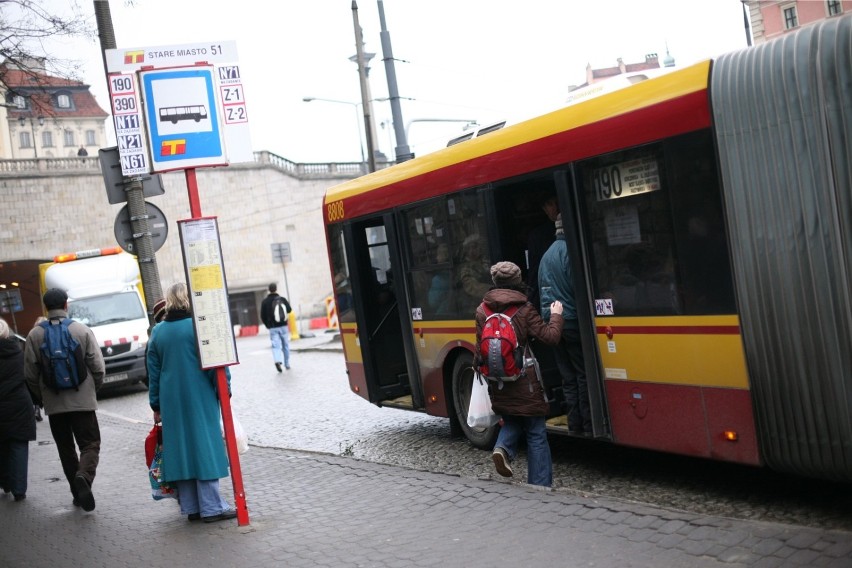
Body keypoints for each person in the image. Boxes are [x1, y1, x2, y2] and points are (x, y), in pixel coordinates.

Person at [146, 282, 236, 523]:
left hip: (170, 400)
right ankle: (212, 507)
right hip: (200, 395)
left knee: (181, 450)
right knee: (204, 445)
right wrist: (224, 391)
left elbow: (153, 374)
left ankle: (191, 507)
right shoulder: (199, 328)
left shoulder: (158, 333)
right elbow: (216, 365)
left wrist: (156, 405)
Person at [476, 261, 564, 487]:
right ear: (518, 282)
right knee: (535, 430)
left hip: (499, 381)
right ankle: (540, 484)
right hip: (525, 381)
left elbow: (479, 351)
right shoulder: (524, 309)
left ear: (494, 283)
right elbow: (551, 337)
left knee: (513, 417)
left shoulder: (481, 310)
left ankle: (502, 448)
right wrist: (556, 315)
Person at [23, 288, 105, 512]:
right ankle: (84, 477)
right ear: (66, 305)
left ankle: (77, 494)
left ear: (45, 308)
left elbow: (30, 374)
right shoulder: (81, 330)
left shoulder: (34, 335)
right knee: (90, 444)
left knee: (66, 449)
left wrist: (43, 397)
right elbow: (98, 367)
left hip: (54, 404)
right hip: (83, 400)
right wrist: (91, 390)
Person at [539, 214, 591, 435]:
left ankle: (574, 423)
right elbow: (577, 287)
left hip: (553, 323)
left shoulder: (546, 255)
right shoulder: (571, 252)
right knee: (583, 374)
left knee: (568, 377)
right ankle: (588, 423)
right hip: (572, 321)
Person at [0, 317, 37, 502]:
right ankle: (19, 489)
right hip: (19, 405)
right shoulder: (17, 352)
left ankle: (5, 482)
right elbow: (30, 376)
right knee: (19, 445)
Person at [526, 194, 560, 309]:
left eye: (554, 203)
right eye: (548, 205)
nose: (554, 208)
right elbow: (535, 273)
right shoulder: (537, 236)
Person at [260, 283, 292, 372]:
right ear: (276, 289)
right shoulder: (282, 299)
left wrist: (268, 325)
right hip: (283, 326)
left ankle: (277, 360)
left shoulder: (265, 302)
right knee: (285, 345)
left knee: (275, 346)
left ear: (269, 290)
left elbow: (262, 316)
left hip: (273, 328)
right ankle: (287, 363)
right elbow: (289, 310)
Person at [458, 235, 492, 305]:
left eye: (474, 247)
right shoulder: (466, 268)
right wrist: (495, 290)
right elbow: (472, 287)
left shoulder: (487, 262)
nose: (471, 251)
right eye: (468, 249)